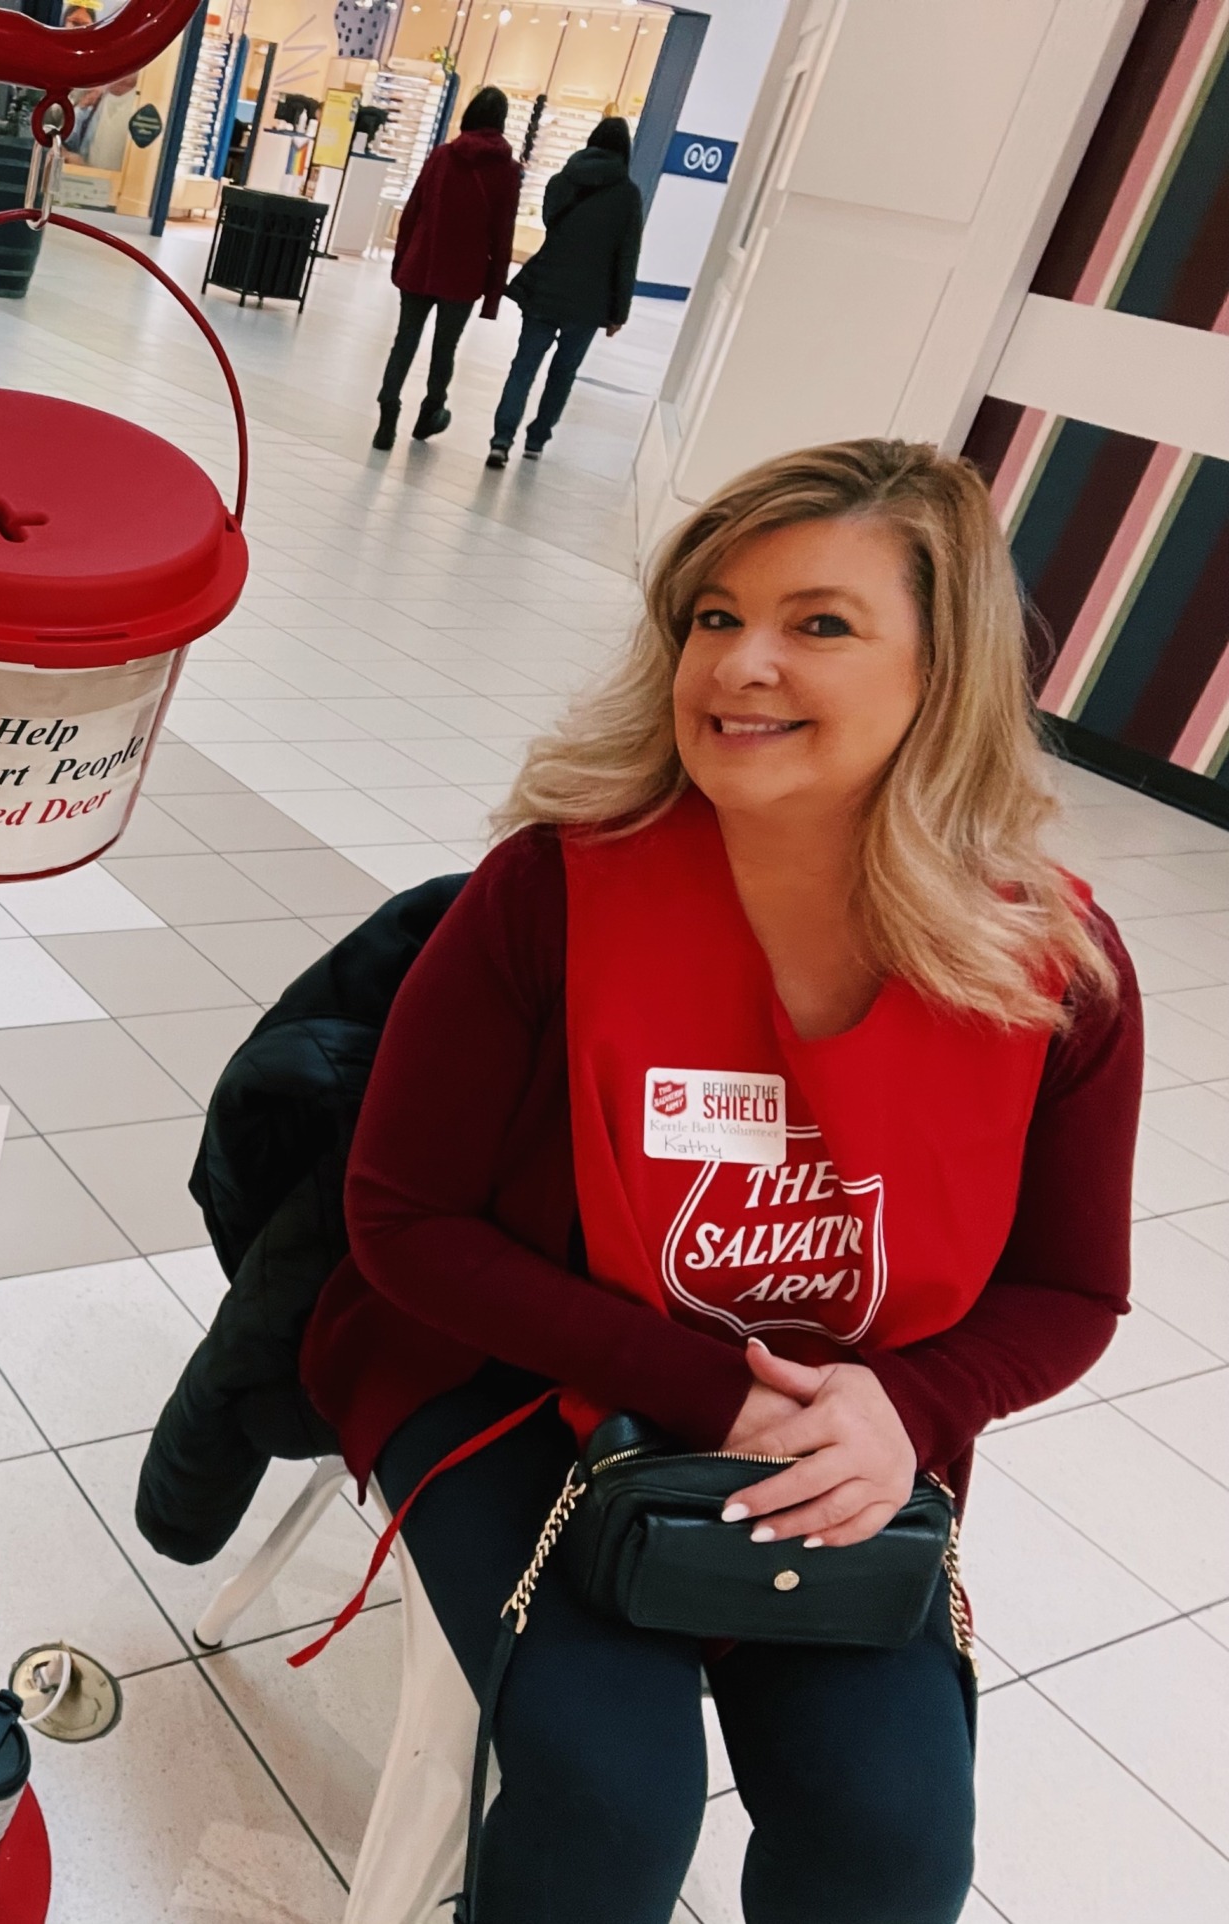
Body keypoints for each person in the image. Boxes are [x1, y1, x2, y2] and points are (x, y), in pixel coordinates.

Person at [301, 440, 1139, 1923]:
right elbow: (402, 1221)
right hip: (519, 1374)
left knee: (893, 1840)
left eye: (819, 623)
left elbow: (1071, 1292)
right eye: (712, 616)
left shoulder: (1052, 966)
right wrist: (710, 1393)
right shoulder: (559, 886)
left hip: (848, 1425)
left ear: (946, 674)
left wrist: (910, 1410)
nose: (740, 664)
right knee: (615, 1802)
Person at [373, 86, 521, 451]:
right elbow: (503, 237)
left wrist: (400, 262)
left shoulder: (442, 156)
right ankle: (430, 414)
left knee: (404, 341)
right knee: (445, 349)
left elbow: (413, 211)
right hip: (464, 276)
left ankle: (387, 416)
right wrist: (492, 298)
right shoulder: (508, 172)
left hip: (421, 265)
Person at [491, 114, 643, 468]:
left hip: (545, 288)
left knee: (523, 365)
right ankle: (537, 440)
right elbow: (627, 255)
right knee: (563, 372)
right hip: (590, 300)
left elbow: (549, 222)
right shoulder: (628, 195)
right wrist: (619, 312)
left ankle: (501, 439)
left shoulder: (562, 181)